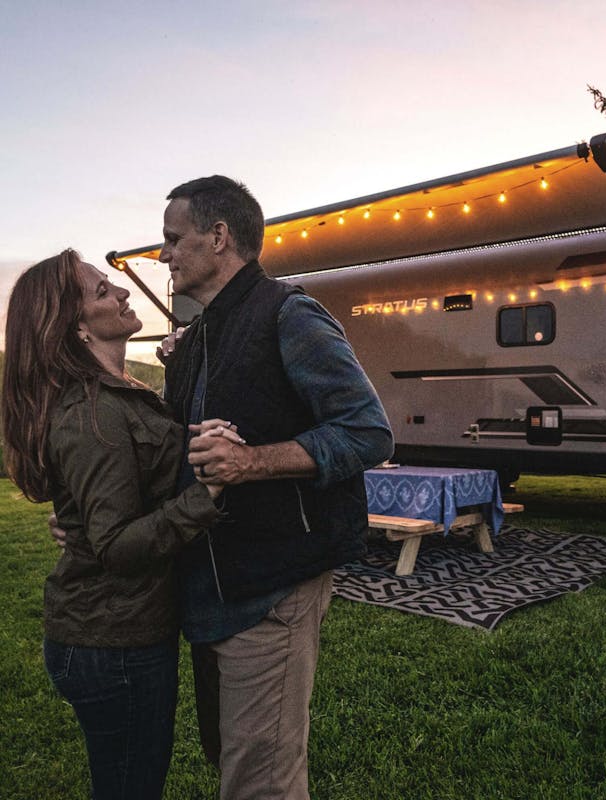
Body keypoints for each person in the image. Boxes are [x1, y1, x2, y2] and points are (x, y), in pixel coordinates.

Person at [159, 175, 393, 800]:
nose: (163, 256)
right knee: (233, 758)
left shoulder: (289, 314)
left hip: (271, 586)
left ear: (218, 236)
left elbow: (368, 433)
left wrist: (247, 463)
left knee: (260, 782)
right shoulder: (200, 335)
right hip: (212, 584)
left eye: (172, 239)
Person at [2, 250, 230, 799]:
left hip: (119, 637)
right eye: (104, 292)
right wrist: (210, 492)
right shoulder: (93, 413)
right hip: (114, 645)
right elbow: (116, 545)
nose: (125, 293)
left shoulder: (119, 394)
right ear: (76, 327)